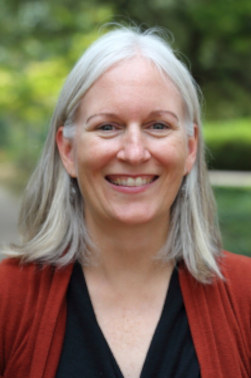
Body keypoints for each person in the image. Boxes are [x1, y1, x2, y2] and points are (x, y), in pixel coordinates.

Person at [0, 25, 250, 378]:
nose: (134, 152)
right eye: (107, 127)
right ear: (68, 150)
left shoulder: (246, 296)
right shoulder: (6, 301)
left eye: (158, 126)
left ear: (190, 148)